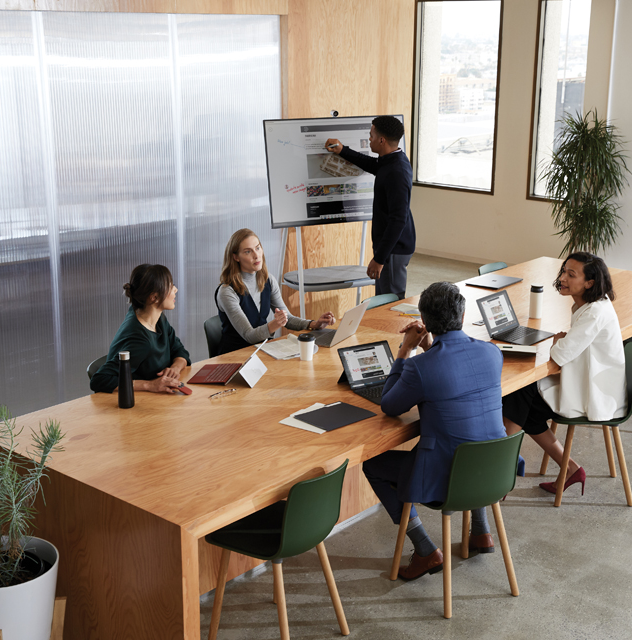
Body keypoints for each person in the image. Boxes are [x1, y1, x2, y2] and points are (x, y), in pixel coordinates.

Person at [363, 281, 505, 580]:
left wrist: (406, 349)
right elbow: (455, 375)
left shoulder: (420, 368)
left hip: (447, 480)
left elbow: (389, 405)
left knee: (373, 465)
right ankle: (481, 531)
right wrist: (431, 348)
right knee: (473, 438)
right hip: (494, 472)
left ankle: (425, 549)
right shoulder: (493, 354)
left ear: (424, 322)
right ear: (463, 317)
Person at [502, 252, 626, 496]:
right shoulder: (589, 305)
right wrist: (561, 342)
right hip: (588, 380)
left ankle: (501, 471)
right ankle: (568, 467)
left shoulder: (593, 313)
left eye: (571, 274)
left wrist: (558, 341)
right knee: (523, 404)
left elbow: (559, 355)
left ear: (589, 283)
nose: (562, 278)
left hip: (593, 392)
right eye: (563, 272)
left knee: (518, 395)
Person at [324, 115, 416, 299]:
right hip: (390, 247)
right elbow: (373, 165)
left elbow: (398, 220)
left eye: (371, 136)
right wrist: (343, 151)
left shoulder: (397, 172)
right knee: (383, 298)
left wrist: (379, 259)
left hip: (394, 249)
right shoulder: (391, 159)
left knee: (390, 302)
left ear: (382, 140)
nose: (369, 139)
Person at [216, 229, 335, 355]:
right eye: (247, 252)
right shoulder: (227, 292)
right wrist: (275, 323)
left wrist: (314, 324)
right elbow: (249, 336)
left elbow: (288, 319)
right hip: (235, 356)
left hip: (262, 350)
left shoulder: (267, 280)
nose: (256, 256)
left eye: (257, 248)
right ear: (235, 257)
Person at [90, 264, 191, 395]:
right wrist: (150, 385)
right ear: (154, 297)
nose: (175, 289)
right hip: (137, 405)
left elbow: (180, 351)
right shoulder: (139, 339)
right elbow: (99, 380)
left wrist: (175, 368)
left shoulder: (157, 319)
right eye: (170, 286)